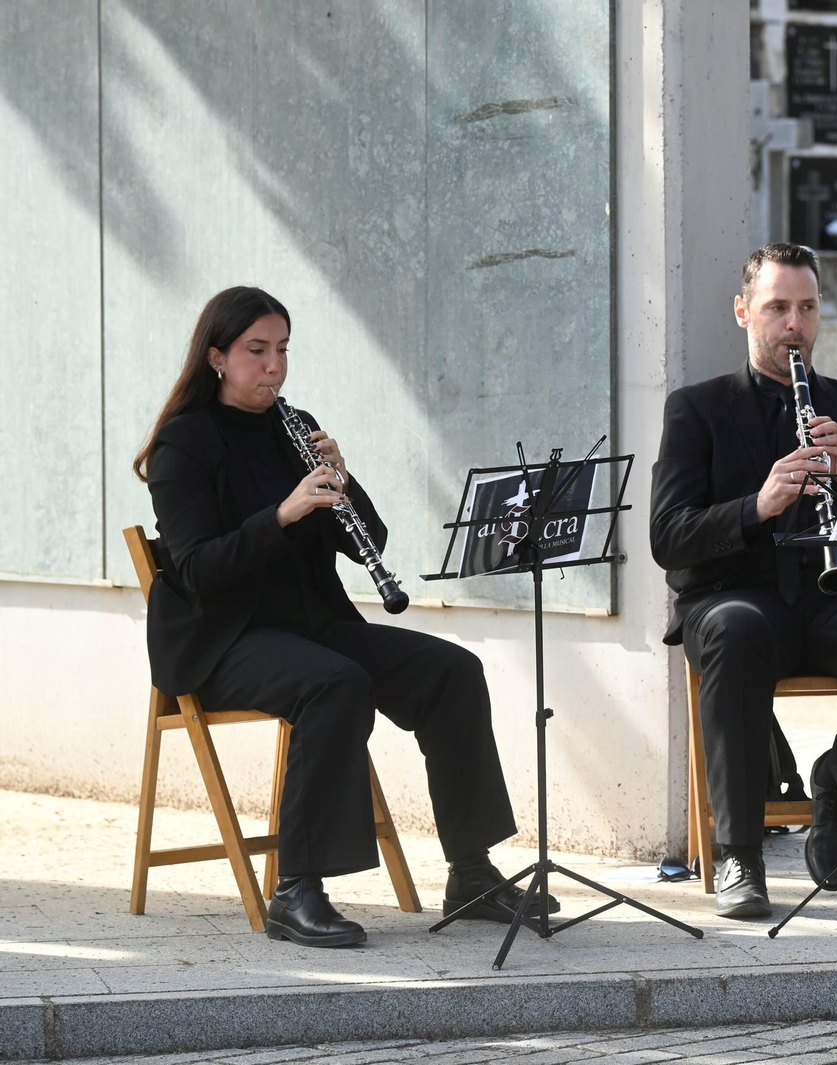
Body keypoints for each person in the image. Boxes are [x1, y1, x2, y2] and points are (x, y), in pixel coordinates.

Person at [134, 286, 555, 947]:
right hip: (221, 640)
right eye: (256, 352)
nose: (273, 366)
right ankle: (297, 888)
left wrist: (342, 479)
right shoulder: (183, 445)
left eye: (282, 351)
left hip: (311, 629)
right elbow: (196, 571)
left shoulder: (293, 427)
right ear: (216, 357)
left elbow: (371, 541)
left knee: (452, 669)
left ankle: (471, 870)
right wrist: (282, 514)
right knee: (335, 682)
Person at [650, 243, 837, 918]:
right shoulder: (695, 411)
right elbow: (667, 537)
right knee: (736, 627)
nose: (794, 324)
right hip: (737, 601)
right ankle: (737, 854)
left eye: (806, 308)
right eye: (778, 307)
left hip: (832, 604)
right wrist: (758, 505)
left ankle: (836, 785)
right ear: (743, 312)